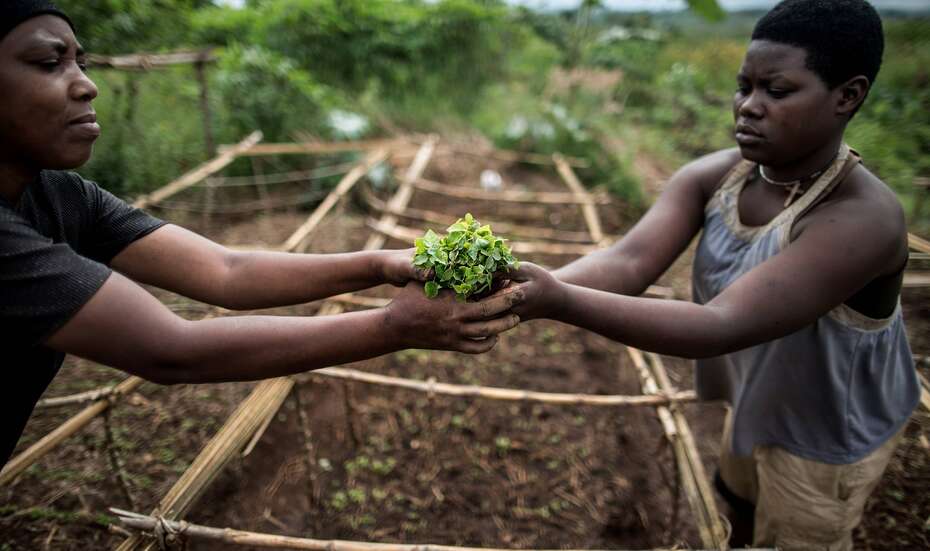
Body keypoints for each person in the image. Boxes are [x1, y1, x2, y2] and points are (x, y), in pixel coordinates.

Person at [0, 1, 523, 468]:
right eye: (49, 64)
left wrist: (380, 264)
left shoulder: (62, 195)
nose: (86, 84)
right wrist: (395, 326)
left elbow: (227, 272)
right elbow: (169, 349)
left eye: (81, 63)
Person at [508, 0, 919, 548]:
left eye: (777, 91)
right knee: (739, 500)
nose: (748, 107)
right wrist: (518, 283)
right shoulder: (718, 176)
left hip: (825, 427)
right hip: (759, 392)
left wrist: (555, 298)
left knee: (801, 531)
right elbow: (628, 263)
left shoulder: (861, 218)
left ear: (847, 95)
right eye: (743, 86)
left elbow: (719, 324)